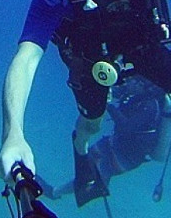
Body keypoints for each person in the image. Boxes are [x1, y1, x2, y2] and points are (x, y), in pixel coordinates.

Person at [0, 0, 171, 207]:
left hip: (144, 47)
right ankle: (81, 146)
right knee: (92, 123)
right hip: (88, 61)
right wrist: (13, 135)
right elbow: (26, 57)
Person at [36, 77, 171, 203]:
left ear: (141, 85)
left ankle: (55, 192)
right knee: (90, 167)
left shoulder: (150, 106)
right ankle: (66, 190)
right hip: (118, 145)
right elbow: (116, 92)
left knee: (93, 172)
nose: (128, 82)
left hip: (126, 154)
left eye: (132, 80)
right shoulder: (139, 98)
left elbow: (126, 127)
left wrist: (107, 105)